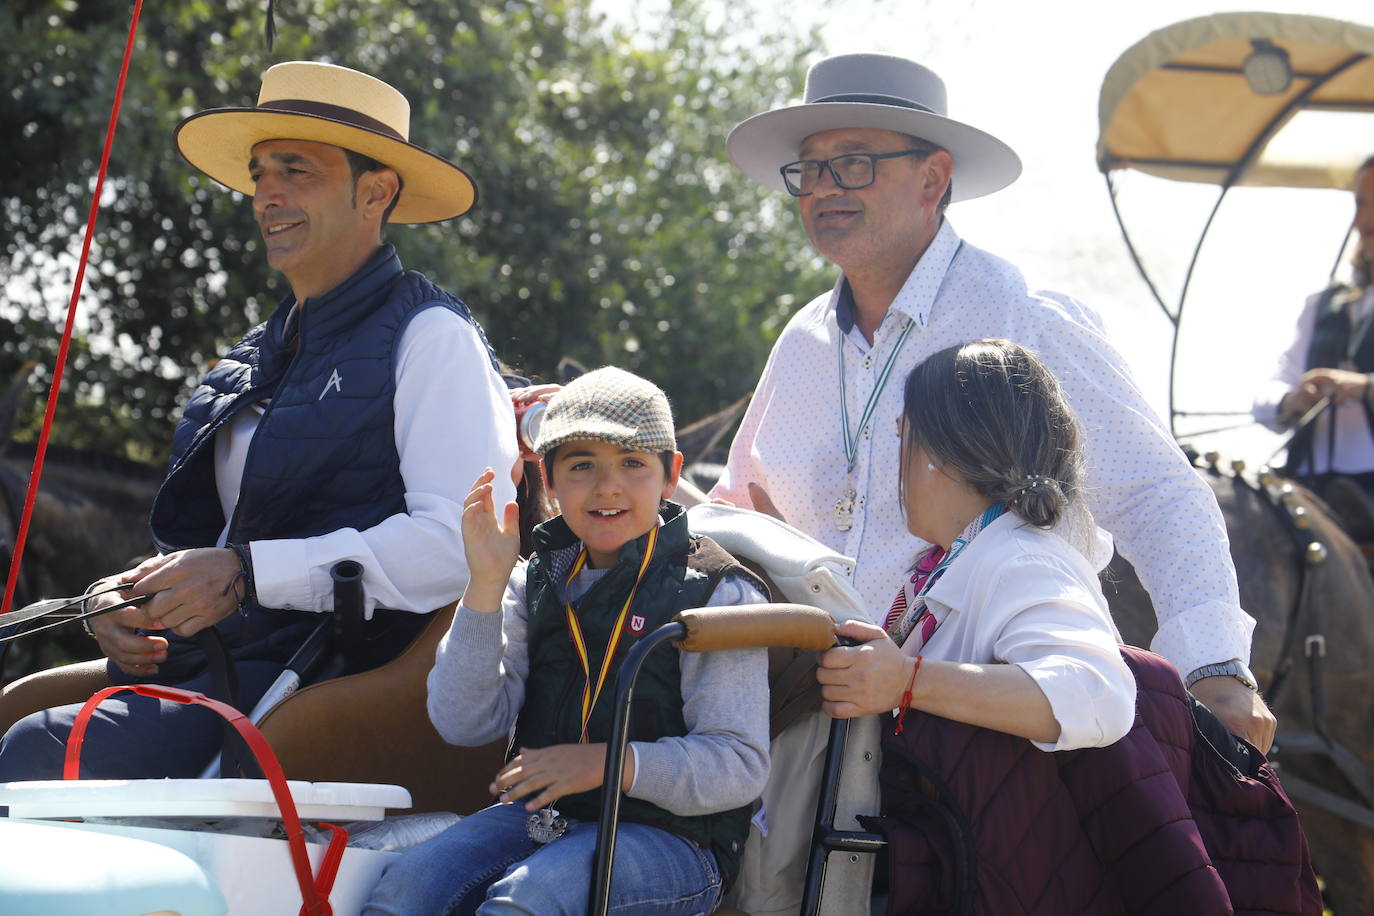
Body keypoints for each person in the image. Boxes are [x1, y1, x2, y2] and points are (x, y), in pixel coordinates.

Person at [711, 52, 1274, 750]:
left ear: (933, 178)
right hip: (813, 735)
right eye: (811, 168)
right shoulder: (801, 342)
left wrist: (1215, 663)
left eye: (854, 161)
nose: (825, 187)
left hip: (986, 738)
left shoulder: (1025, 317)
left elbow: (1157, 493)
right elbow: (736, 508)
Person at [0, 61, 518, 779]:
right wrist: (117, 603)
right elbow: (207, 549)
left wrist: (247, 574)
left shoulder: (433, 338)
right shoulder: (245, 362)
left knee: (37, 752)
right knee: (17, 723)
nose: (265, 194)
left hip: (334, 691)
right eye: (259, 171)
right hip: (220, 671)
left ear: (376, 191)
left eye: (295, 170)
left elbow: (456, 550)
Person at [363, 367, 770, 916]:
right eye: (581, 466)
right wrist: (483, 585)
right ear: (549, 483)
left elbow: (739, 764)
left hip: (678, 842)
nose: (608, 487)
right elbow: (462, 722)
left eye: (632, 463)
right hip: (545, 821)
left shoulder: (719, 591)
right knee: (402, 890)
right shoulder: (529, 578)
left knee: (527, 901)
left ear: (671, 474)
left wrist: (607, 763)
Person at [816, 339, 1135, 750]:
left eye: (904, 435)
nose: (898, 460)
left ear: (941, 455)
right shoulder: (970, 557)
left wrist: (908, 680)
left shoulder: (1022, 559)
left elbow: (1100, 696)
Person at [1254, 154, 1374, 506]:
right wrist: (1291, 400)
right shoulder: (1324, 304)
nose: (1363, 221)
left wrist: (1362, 387)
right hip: (1307, 485)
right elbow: (1273, 387)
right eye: (1360, 204)